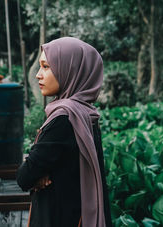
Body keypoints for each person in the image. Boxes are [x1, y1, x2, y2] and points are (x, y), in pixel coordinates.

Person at [16, 37, 112, 227]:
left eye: (46, 66)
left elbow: (24, 177)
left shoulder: (64, 119)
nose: (38, 75)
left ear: (70, 71)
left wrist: (35, 173)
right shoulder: (86, 114)